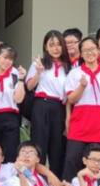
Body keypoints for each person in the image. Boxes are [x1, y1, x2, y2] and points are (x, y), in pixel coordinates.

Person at [62, 37, 100, 181]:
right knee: (72, 159)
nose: (89, 53)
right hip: (80, 123)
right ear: (81, 53)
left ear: (98, 50)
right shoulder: (74, 73)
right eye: (85, 50)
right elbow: (71, 99)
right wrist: (82, 86)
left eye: (92, 49)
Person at [26, 30, 69, 175]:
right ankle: (37, 181)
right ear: (45, 47)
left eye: (58, 44)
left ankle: (55, 184)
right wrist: (38, 72)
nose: (55, 48)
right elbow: (29, 86)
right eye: (51, 45)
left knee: (57, 148)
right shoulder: (39, 64)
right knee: (39, 146)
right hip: (41, 105)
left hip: (60, 108)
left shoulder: (69, 67)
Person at [0, 44, 28, 160]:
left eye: (10, 59)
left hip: (11, 119)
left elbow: (18, 99)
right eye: (5, 57)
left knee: (10, 155)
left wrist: (21, 79)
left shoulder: (15, 75)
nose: (7, 61)